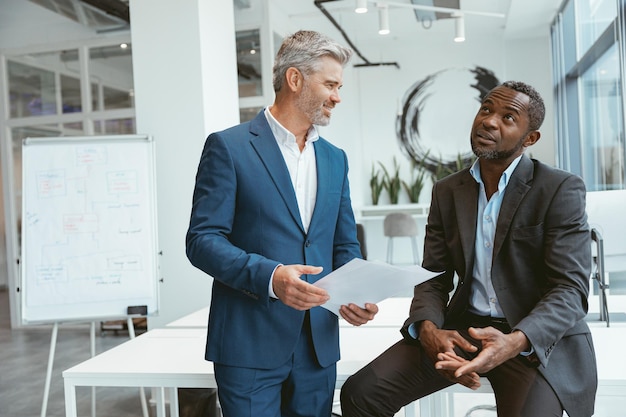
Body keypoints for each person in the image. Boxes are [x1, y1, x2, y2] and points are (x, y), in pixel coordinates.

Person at [340, 81, 597, 417]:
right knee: (362, 394)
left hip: (531, 342)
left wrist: (514, 341)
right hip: (465, 330)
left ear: (529, 139)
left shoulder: (558, 188)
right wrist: (429, 330)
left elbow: (570, 290)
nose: (489, 121)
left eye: (508, 117)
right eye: (486, 109)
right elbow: (433, 277)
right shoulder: (448, 191)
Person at [186, 30, 378, 417]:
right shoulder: (229, 147)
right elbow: (202, 240)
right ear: (295, 79)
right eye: (330, 84)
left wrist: (353, 294)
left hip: (317, 347)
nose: (337, 97)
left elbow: (344, 243)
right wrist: (270, 277)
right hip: (248, 344)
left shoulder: (335, 159)